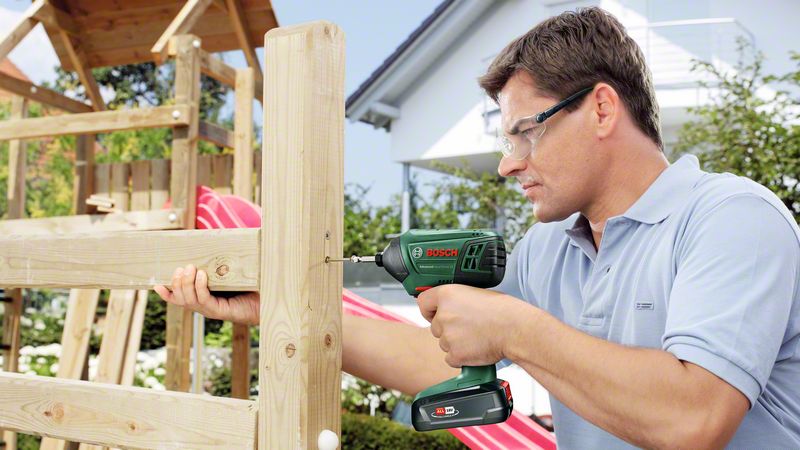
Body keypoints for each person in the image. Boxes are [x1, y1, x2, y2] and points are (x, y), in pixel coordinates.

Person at [154, 7, 800, 449]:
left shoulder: (730, 219)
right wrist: (280, 312)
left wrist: (514, 327)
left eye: (525, 132)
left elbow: (694, 420)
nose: (507, 163)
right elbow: (440, 355)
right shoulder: (550, 247)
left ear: (602, 108)